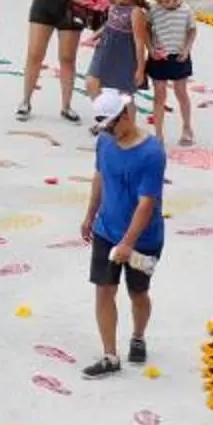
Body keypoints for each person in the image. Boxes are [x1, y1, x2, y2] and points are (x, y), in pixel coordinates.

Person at [78, 88, 167, 379]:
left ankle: (138, 335)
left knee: (138, 292)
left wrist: (128, 243)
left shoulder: (152, 153)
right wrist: (90, 215)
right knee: (104, 290)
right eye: (105, 127)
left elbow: (146, 204)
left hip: (144, 239)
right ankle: (109, 355)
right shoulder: (105, 142)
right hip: (107, 230)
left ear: (126, 115)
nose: (109, 132)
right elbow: (100, 177)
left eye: (112, 125)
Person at [83, 0, 151, 108]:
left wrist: (140, 68)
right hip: (106, 48)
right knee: (91, 82)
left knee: (125, 93)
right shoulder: (114, 4)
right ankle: (107, 116)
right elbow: (109, 23)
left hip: (124, 53)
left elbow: (139, 41)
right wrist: (94, 36)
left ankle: (127, 125)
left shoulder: (135, 12)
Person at [145, 0, 198, 146]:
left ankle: (187, 127)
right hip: (159, 56)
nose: (163, 5)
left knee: (181, 92)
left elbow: (192, 30)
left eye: (166, 1)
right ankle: (158, 134)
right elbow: (145, 29)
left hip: (179, 55)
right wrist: (150, 48)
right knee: (159, 95)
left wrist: (187, 49)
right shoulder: (154, 10)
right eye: (160, 1)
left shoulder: (186, 10)